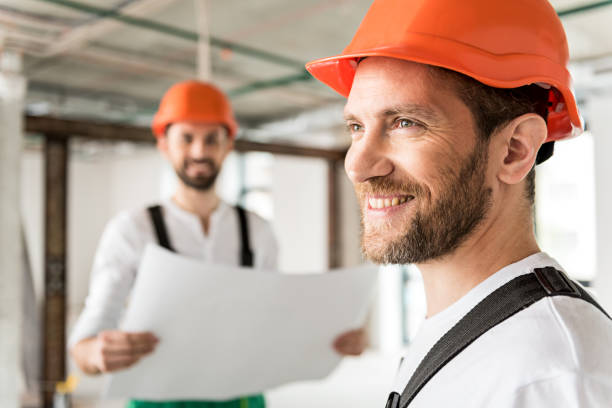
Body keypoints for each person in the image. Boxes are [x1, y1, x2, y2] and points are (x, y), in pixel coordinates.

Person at [306, 0, 612, 406]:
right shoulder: (471, 327)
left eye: (405, 123)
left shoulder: (551, 377)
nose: (357, 165)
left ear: (514, 151)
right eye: (357, 126)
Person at [69, 80, 367, 408]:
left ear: (227, 146)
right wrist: (96, 354)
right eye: (187, 138)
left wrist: (327, 341)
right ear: (164, 144)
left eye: (212, 139)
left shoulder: (257, 231)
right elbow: (85, 343)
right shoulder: (132, 230)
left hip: (242, 400)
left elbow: (270, 326)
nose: (199, 151)